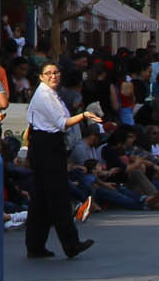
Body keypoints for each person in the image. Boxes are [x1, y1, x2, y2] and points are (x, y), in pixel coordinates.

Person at [21, 62, 100, 260]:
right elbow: (62, 123)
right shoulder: (44, 96)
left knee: (42, 199)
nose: (53, 76)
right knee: (58, 196)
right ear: (41, 77)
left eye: (56, 72)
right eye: (48, 73)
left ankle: (36, 246)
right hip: (46, 145)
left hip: (48, 144)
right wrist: (84, 115)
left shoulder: (51, 94)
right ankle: (70, 244)